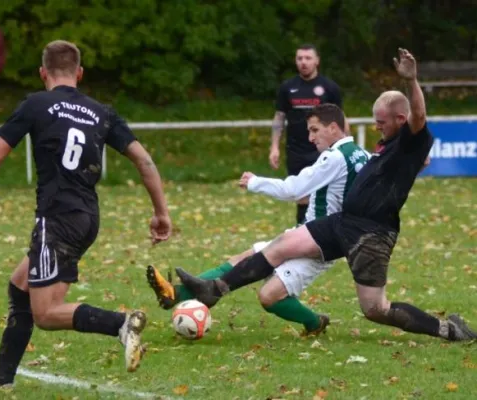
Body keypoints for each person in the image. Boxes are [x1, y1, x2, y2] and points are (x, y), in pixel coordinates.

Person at [175, 48, 477, 342]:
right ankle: (213, 290)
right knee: (282, 243)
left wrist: (410, 81)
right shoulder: (388, 144)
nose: (376, 127)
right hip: (344, 221)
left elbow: (420, 116)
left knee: (375, 308)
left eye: (381, 122)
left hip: (372, 234)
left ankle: (445, 329)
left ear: (400, 119)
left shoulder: (411, 142)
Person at [0, 40, 172, 389]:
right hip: (86, 218)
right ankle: (1, 380)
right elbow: (144, 160)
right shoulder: (102, 112)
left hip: (57, 218)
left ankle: (122, 324)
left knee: (46, 313)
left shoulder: (36, 103)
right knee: (21, 286)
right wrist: (161, 213)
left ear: (43, 72)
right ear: (79, 73)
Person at [147, 103, 369, 335]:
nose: (310, 137)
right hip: (308, 234)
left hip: (319, 244)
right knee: (245, 257)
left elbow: (294, 190)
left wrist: (255, 182)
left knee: (269, 297)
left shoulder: (334, 157)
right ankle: (175, 293)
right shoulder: (362, 154)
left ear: (333, 128)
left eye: (314, 130)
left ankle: (315, 322)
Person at [270, 44, 346, 225]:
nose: (303, 62)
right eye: (299, 58)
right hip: (296, 151)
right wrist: (274, 147)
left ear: (317, 61)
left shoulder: (329, 88)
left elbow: (340, 118)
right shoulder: (287, 88)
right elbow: (279, 117)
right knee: (301, 195)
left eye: (308, 58)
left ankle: (325, 231)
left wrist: (345, 146)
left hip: (322, 151)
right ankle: (302, 230)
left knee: (324, 193)